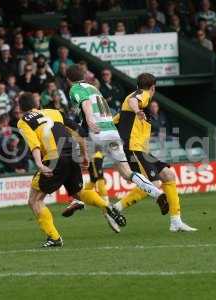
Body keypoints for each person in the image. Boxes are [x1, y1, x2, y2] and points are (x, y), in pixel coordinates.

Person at [17, 92, 126, 247]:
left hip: (54, 158)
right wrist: (84, 156)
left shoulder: (23, 122)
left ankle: (54, 237)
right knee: (78, 192)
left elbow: (33, 143)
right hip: (72, 153)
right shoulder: (54, 112)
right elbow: (79, 133)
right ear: (37, 105)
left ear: (20, 108)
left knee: (34, 200)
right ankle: (106, 206)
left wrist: (39, 164)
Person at [65, 64, 168, 215]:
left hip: (96, 131)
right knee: (126, 172)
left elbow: (85, 103)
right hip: (112, 131)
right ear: (84, 76)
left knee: (70, 158)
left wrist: (89, 119)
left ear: (68, 79)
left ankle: (78, 198)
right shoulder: (94, 88)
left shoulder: (75, 88)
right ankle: (156, 193)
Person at [111, 72, 197, 232]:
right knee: (155, 184)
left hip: (139, 149)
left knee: (168, 176)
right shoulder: (142, 95)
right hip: (133, 148)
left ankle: (176, 221)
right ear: (153, 88)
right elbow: (133, 100)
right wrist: (137, 111)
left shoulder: (128, 102)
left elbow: (115, 119)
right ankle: (115, 209)